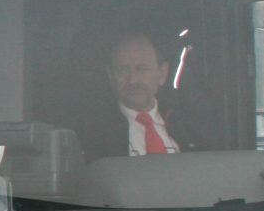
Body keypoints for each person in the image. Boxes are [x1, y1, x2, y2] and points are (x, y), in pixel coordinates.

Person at [81, 30, 196, 159]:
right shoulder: (93, 134)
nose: (133, 80)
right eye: (122, 71)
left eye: (142, 69)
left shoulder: (190, 126)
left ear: (162, 73)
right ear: (110, 76)